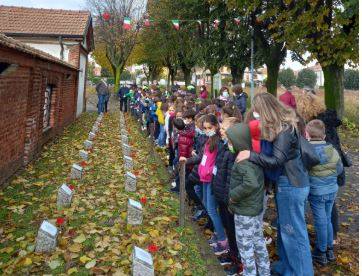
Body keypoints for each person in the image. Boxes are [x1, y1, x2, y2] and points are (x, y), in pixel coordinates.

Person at [236, 93, 314, 276]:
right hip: (289, 182)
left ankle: (301, 271)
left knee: (294, 232)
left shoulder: (284, 129)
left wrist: (251, 155)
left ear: (265, 111)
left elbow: (277, 160)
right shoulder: (283, 125)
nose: (255, 115)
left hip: (291, 184)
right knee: (286, 230)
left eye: (257, 111)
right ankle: (287, 268)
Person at [295, 91, 350, 243]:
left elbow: (319, 147)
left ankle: (327, 240)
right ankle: (332, 235)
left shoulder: (315, 123)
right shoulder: (328, 118)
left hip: (323, 164)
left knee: (325, 205)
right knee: (330, 203)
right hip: (333, 162)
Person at [226, 122, 270, 276]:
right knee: (258, 243)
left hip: (245, 212)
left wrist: (233, 196)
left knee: (245, 248)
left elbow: (251, 183)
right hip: (254, 209)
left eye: (230, 141)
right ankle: (265, 272)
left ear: (238, 142)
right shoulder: (252, 156)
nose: (228, 144)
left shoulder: (244, 162)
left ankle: (249, 273)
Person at [182, 114, 229, 255]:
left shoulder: (218, 143)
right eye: (205, 128)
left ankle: (222, 240)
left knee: (212, 209)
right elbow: (202, 157)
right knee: (207, 206)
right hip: (204, 178)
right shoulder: (209, 141)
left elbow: (218, 163)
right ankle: (217, 233)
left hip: (211, 180)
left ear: (216, 126)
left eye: (210, 127)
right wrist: (188, 160)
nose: (207, 130)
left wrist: (213, 176)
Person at [305, 119, 342, 266]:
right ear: (324, 136)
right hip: (332, 190)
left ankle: (321, 251)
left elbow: (305, 171)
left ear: (307, 134)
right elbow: (339, 169)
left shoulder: (308, 150)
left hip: (317, 192)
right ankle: (329, 249)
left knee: (321, 220)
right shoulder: (332, 149)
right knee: (327, 219)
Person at [213, 117, 241, 275]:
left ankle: (237, 261)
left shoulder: (235, 151)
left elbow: (232, 178)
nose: (220, 131)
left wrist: (228, 197)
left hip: (229, 199)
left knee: (233, 230)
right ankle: (232, 254)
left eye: (223, 129)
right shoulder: (225, 147)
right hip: (222, 196)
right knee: (229, 230)